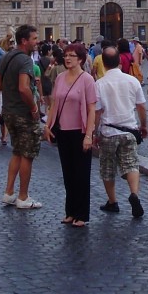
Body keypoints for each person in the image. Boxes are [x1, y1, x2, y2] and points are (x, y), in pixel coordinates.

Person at [44, 43, 97, 227]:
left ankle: (82, 214)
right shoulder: (59, 78)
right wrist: (48, 125)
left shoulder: (87, 80)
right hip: (63, 131)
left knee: (81, 174)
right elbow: (54, 103)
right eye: (66, 55)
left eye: (72, 56)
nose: (67, 58)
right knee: (68, 173)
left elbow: (91, 109)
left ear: (81, 59)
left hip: (80, 131)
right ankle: (70, 211)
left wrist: (89, 135)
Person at [95, 45, 148, 218]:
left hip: (109, 131)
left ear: (103, 63)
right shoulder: (132, 81)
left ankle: (112, 201)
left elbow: (97, 111)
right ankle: (134, 194)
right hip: (129, 130)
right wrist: (144, 125)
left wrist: (95, 132)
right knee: (132, 164)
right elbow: (141, 106)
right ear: (119, 61)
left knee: (107, 168)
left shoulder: (99, 84)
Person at [0, 24, 43, 209]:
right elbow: (24, 87)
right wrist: (33, 108)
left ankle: (9, 192)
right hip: (23, 113)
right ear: (24, 41)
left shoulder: (6, 57)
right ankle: (23, 197)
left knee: (17, 151)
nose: (37, 42)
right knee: (27, 154)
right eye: (34, 38)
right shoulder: (25, 60)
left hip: (8, 111)